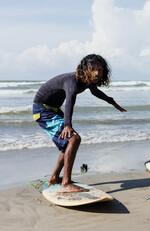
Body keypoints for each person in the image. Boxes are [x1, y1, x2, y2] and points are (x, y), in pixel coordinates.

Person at [33, 54, 126, 193]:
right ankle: (66, 183)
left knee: (68, 143)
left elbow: (96, 92)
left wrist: (112, 102)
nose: (97, 73)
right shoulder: (73, 81)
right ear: (85, 68)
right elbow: (70, 102)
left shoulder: (87, 81)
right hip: (42, 110)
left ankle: (54, 178)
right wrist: (67, 125)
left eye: (100, 70)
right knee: (74, 138)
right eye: (93, 69)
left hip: (52, 109)